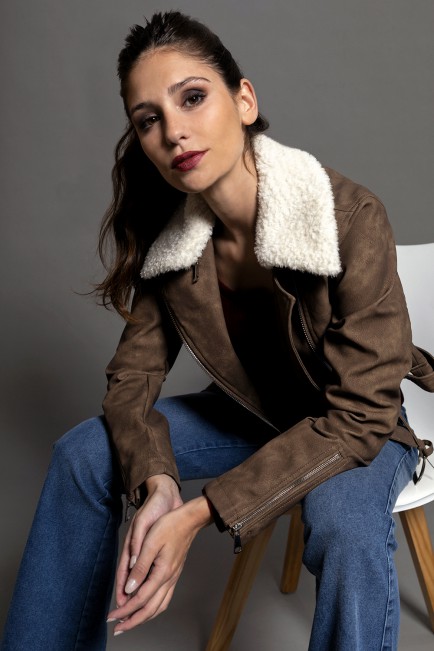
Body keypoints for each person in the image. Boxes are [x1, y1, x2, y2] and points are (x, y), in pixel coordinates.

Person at [2, 9, 434, 651]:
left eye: (193, 98)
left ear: (244, 100)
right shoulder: (176, 243)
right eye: (148, 120)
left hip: (352, 424)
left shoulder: (349, 217)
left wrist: (199, 513)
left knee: (342, 520)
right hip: (255, 415)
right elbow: (131, 381)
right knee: (83, 452)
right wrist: (157, 480)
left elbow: (362, 416)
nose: (174, 131)